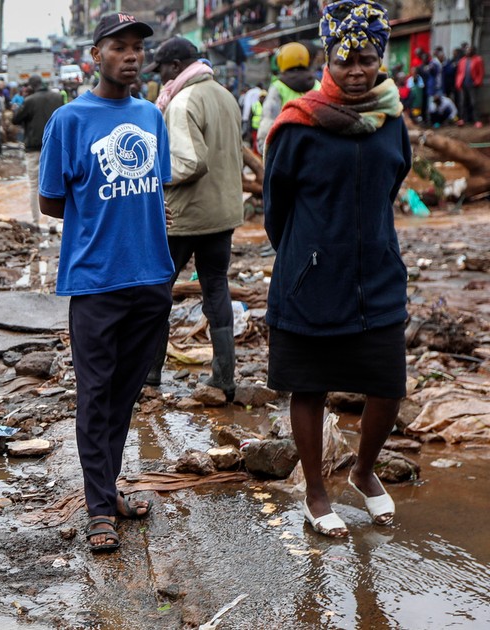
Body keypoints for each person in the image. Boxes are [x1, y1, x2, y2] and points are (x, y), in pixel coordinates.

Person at [263, 0, 409, 539]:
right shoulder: (297, 124)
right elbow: (275, 208)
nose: (354, 69)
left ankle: (364, 471)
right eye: (344, 59)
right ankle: (315, 491)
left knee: (387, 384)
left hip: (379, 276)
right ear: (327, 57)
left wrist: (372, 244)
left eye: (365, 58)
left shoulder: (391, 121)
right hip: (311, 280)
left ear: (380, 59)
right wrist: (308, 255)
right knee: (309, 386)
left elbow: (392, 185)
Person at [37, 13, 169, 553]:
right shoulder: (69, 121)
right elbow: (50, 200)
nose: (132, 55)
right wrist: (99, 224)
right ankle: (97, 507)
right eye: (120, 46)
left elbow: (156, 186)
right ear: (96, 55)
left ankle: (106, 489)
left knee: (124, 394)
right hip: (95, 282)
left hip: (152, 276)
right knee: (94, 394)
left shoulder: (151, 116)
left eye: (138, 47)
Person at [144, 36, 244, 398]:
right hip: (223, 212)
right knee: (216, 287)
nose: (160, 79)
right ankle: (224, 378)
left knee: (157, 291)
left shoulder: (184, 99)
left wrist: (151, 177)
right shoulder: (223, 94)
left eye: (162, 70)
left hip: (186, 215)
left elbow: (190, 161)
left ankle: (150, 376)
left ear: (174, 66)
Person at [12, 75, 64, 226]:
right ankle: (54, 223)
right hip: (55, 148)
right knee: (55, 184)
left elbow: (15, 119)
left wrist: (24, 100)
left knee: (35, 186)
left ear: (30, 86)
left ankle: (35, 223)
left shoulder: (29, 100)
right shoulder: (57, 97)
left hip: (34, 149)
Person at [257, 43, 321, 154]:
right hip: (316, 145)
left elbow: (269, 118)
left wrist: (263, 146)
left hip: (287, 147)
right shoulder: (317, 85)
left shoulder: (278, 86)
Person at [457, 46, 484, 127]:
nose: (467, 52)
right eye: (467, 50)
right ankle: (463, 119)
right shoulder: (462, 60)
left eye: (469, 50)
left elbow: (481, 72)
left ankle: (477, 120)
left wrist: (477, 81)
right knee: (463, 103)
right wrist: (458, 82)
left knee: (474, 102)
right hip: (463, 84)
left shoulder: (478, 60)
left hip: (473, 85)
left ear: (473, 51)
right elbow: (459, 72)